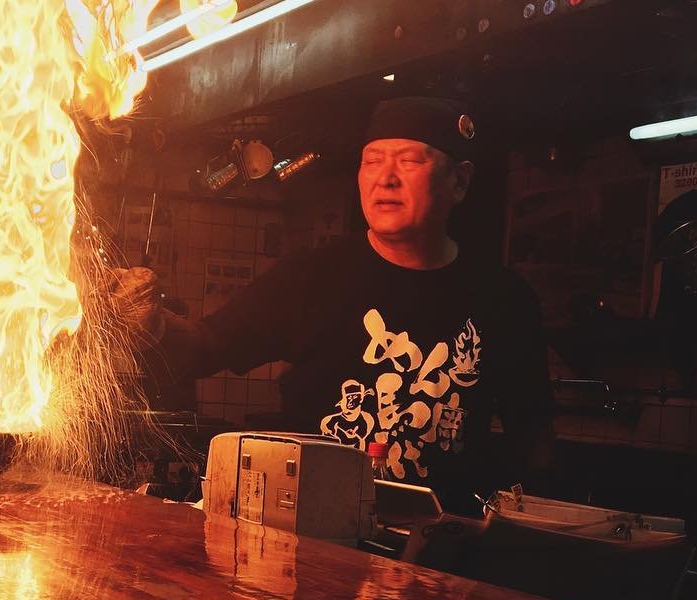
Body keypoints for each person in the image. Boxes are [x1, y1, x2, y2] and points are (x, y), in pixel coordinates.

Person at [133, 97, 554, 513]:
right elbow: (207, 343)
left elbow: (532, 438)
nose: (385, 178)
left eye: (409, 161)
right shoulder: (312, 275)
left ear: (459, 182)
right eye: (372, 161)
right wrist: (151, 325)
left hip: (439, 544)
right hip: (310, 536)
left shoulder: (505, 299)